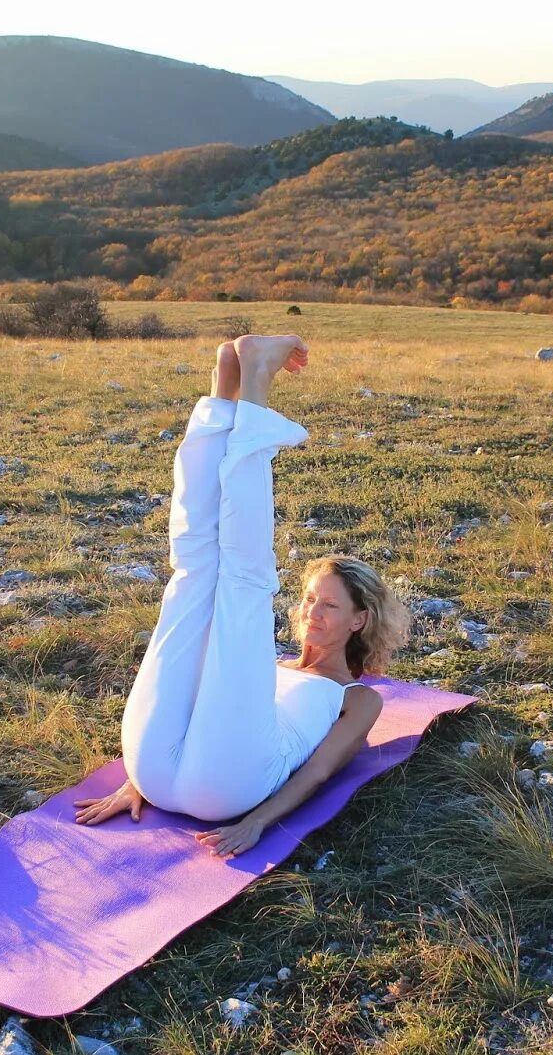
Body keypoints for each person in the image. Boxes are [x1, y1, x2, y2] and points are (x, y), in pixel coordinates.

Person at [72, 334, 409, 858]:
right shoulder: (265, 665)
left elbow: (320, 771)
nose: (310, 611)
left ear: (359, 621)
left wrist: (258, 823)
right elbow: (189, 702)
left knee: (240, 584)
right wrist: (136, 780)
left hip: (234, 789)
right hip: (153, 772)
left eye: (329, 604)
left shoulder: (358, 697)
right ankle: (223, 389)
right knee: (193, 571)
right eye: (309, 600)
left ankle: (256, 383)